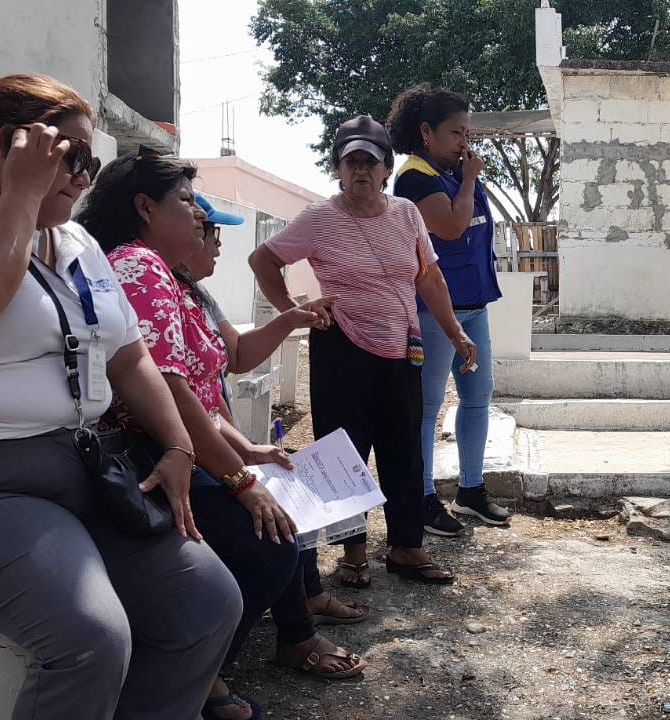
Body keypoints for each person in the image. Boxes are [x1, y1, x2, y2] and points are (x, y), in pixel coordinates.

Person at [0, 74, 240, 720]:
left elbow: (129, 356)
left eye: (90, 161)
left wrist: (178, 445)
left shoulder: (76, 243)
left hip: (79, 470)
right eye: (72, 155)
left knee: (206, 604)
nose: (84, 176)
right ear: (11, 145)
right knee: (89, 639)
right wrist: (20, 194)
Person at [76, 151, 368, 719]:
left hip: (191, 448)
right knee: (267, 544)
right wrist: (240, 479)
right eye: (187, 202)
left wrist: (245, 457)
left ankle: (280, 638)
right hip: (156, 457)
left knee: (280, 520)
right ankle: (197, 678)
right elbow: (170, 389)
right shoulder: (138, 266)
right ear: (145, 208)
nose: (200, 217)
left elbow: (214, 373)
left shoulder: (170, 278)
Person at [249, 115, 477, 588]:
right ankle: (352, 553)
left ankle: (407, 547)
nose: (361, 171)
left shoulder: (406, 214)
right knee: (343, 451)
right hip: (341, 345)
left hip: (402, 345)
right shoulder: (319, 218)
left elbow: (429, 277)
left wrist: (455, 332)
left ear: (386, 169)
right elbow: (263, 259)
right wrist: (294, 310)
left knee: (404, 448)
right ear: (337, 168)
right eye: (351, 162)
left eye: (370, 163)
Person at [180, 197, 370, 626]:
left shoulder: (198, 295)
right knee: (276, 513)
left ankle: (307, 601)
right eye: (211, 233)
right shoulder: (157, 293)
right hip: (192, 451)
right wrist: (241, 462)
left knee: (292, 479)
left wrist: (291, 318)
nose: (217, 245)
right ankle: (292, 630)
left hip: (216, 439)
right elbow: (188, 397)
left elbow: (234, 357)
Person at [387, 84, 512, 537]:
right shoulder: (414, 179)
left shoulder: (452, 173)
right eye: (456, 132)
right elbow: (453, 227)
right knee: (428, 406)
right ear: (427, 132)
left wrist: (465, 175)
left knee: (478, 397)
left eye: (467, 133)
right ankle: (422, 499)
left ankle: (471, 490)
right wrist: (471, 178)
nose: (464, 142)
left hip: (474, 305)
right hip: (434, 311)